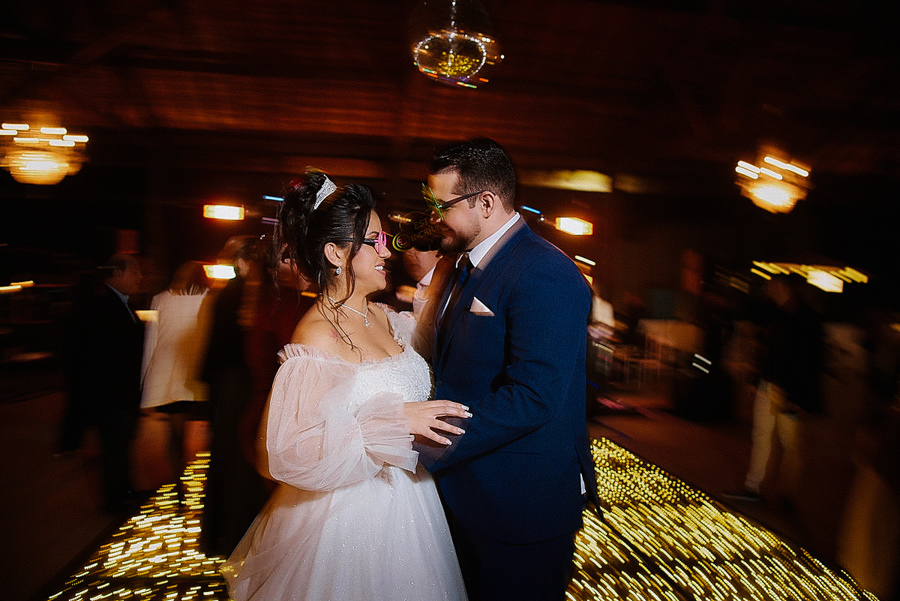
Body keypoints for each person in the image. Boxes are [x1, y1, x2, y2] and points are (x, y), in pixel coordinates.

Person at [221, 170, 470, 601]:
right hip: (349, 519)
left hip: (411, 506)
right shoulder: (316, 335)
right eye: (373, 240)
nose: (386, 252)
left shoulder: (385, 318)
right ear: (336, 253)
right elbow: (289, 450)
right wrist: (394, 421)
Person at [414, 138, 600, 601]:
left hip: (520, 503)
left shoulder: (546, 272)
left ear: (487, 202)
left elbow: (534, 395)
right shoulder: (461, 266)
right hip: (468, 490)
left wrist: (432, 439)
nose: (436, 216)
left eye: (444, 205)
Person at [724, 276, 824, 505]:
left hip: (789, 391)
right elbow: (766, 350)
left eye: (771, 285)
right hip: (769, 386)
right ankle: (754, 486)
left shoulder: (807, 318)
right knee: (762, 436)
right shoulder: (775, 313)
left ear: (782, 287)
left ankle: (786, 492)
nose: (767, 289)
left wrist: (800, 397)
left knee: (790, 442)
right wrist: (756, 380)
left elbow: (810, 362)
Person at [200, 236, 269, 557]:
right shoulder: (252, 295)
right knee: (241, 463)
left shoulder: (229, 293)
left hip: (229, 387)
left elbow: (212, 348)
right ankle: (238, 534)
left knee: (225, 462)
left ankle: (220, 533)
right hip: (244, 386)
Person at [60, 254, 145, 513]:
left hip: (119, 394)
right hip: (112, 395)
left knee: (121, 447)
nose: (139, 278)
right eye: (134, 272)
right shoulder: (104, 306)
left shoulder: (121, 304)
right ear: (117, 274)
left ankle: (124, 488)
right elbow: (100, 356)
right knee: (114, 448)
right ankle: (115, 500)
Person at [138, 261, 212, 488]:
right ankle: (205, 479)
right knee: (205, 429)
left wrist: (145, 382)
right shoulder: (209, 299)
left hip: (168, 379)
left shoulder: (161, 299)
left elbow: (151, 343)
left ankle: (178, 477)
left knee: (175, 434)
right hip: (197, 377)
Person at [402, 245, 442, 320]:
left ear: (439, 253)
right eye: (405, 248)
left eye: (418, 247)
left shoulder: (446, 287)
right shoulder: (415, 288)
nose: (409, 253)